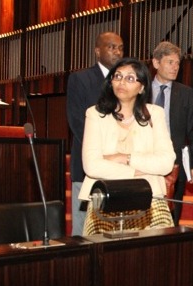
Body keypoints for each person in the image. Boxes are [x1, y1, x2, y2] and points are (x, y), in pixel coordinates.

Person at [78, 58, 176, 234]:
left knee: (155, 249)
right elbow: (91, 166)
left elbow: (166, 163)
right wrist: (138, 171)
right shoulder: (95, 114)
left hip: (150, 201)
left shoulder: (155, 114)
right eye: (117, 76)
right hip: (105, 200)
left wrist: (124, 158)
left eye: (130, 78)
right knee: (103, 250)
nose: (122, 82)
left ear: (142, 87)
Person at [67, 32, 123, 235]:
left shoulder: (125, 81)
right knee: (83, 228)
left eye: (120, 48)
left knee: (113, 227)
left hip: (119, 165)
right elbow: (76, 121)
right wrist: (103, 151)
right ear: (97, 51)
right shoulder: (80, 78)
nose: (117, 52)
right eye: (111, 47)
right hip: (88, 163)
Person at [151, 41, 193, 226]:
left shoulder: (186, 93)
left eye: (177, 63)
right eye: (170, 62)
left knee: (173, 214)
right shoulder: (141, 91)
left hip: (175, 163)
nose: (175, 67)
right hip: (145, 160)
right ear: (156, 63)